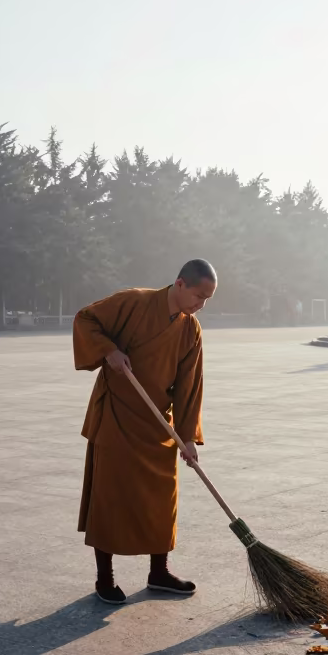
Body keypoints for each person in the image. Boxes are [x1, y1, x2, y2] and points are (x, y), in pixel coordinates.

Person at [73, 259, 217, 604]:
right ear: (180, 284)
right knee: (110, 496)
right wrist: (109, 351)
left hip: (157, 422)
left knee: (161, 498)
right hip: (117, 414)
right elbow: (86, 319)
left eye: (208, 299)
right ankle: (104, 578)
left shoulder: (190, 329)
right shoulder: (133, 302)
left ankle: (159, 572)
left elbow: (189, 385)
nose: (201, 305)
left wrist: (186, 437)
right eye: (199, 296)